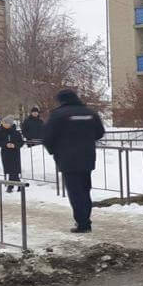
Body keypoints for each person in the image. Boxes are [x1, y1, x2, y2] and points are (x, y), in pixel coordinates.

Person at [43, 89, 105, 233]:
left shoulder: (57, 115)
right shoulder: (90, 113)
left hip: (67, 159)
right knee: (85, 189)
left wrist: (55, 151)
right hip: (87, 157)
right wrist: (86, 140)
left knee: (75, 192)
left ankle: (82, 223)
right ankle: (86, 220)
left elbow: (47, 137)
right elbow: (100, 132)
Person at [0, 116, 25, 192]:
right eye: (3, 122)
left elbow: (21, 142)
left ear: (10, 124)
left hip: (15, 153)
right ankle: (19, 184)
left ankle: (10, 186)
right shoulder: (0, 132)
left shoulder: (16, 133)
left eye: (6, 123)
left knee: (13, 170)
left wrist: (14, 145)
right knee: (10, 169)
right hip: (5, 153)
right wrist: (5, 144)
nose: (4, 124)